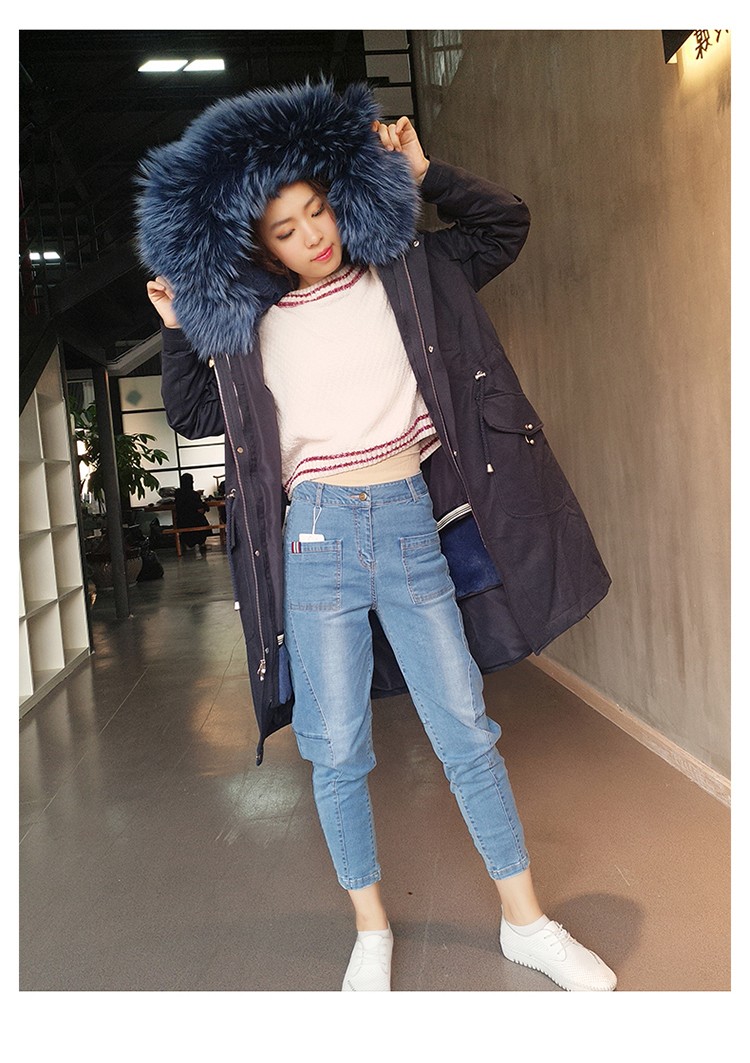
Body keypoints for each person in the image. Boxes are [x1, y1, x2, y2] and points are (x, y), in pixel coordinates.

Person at [138, 80, 616, 992]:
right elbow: (195, 411)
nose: (312, 235)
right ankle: (371, 930)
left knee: (465, 727)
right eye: (287, 229)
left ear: (340, 200)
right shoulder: (249, 326)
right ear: (263, 248)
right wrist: (174, 329)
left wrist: (427, 175)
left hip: (407, 522)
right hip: (315, 538)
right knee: (336, 747)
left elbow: (504, 226)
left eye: (317, 211)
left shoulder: (408, 273)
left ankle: (527, 921)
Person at [173, 472, 210, 554]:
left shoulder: (178, 494)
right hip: (196, 523)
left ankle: (187, 544)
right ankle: (201, 543)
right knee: (201, 520)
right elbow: (200, 509)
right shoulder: (194, 495)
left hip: (182, 523)